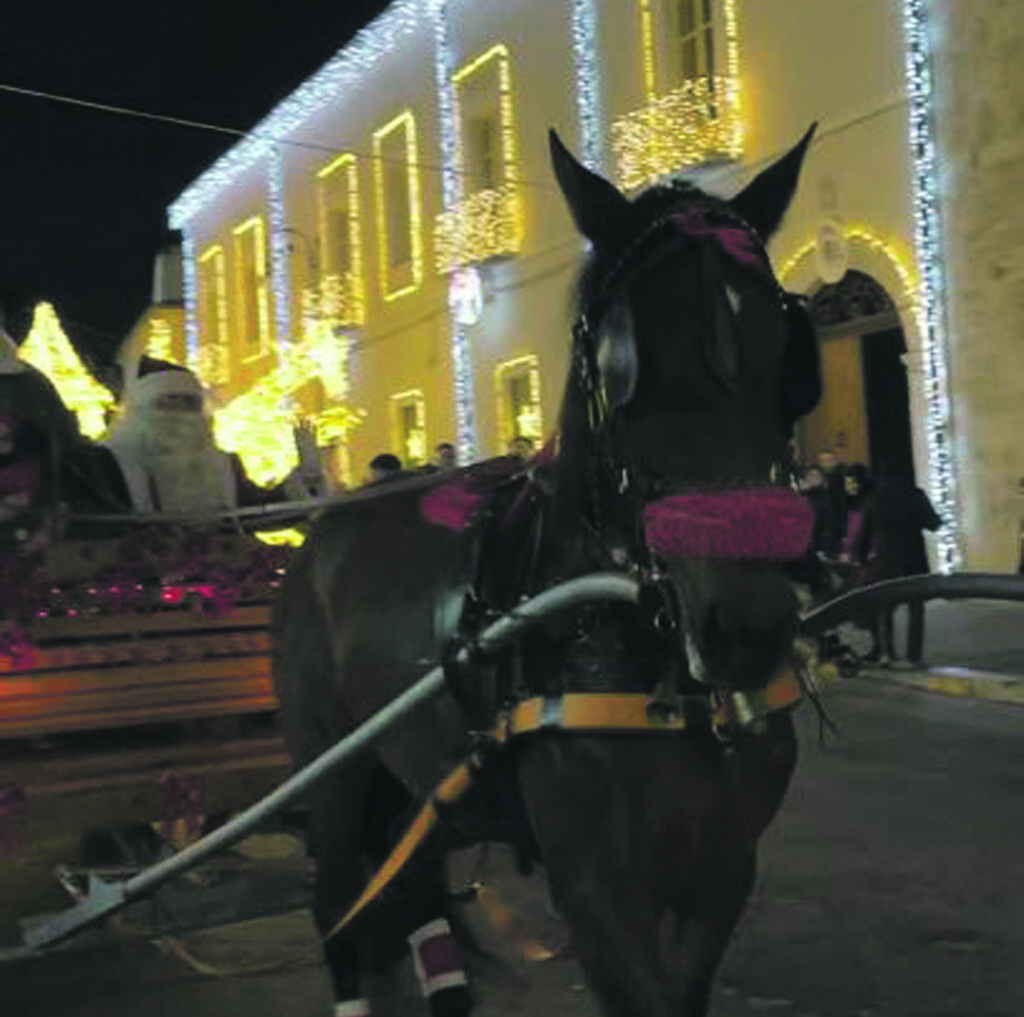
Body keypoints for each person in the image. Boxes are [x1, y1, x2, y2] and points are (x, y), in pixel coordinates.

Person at [104, 358, 322, 514]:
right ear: (141, 410)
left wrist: (307, 474)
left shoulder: (224, 465)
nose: (180, 415)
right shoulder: (109, 463)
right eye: (168, 402)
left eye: (189, 404)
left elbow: (258, 513)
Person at [855, 470, 942, 668]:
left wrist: (862, 558)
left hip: (886, 560)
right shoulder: (916, 495)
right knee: (916, 607)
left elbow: (864, 532)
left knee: (884, 607)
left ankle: (887, 654)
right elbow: (933, 524)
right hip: (914, 558)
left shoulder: (874, 498)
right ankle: (913, 656)